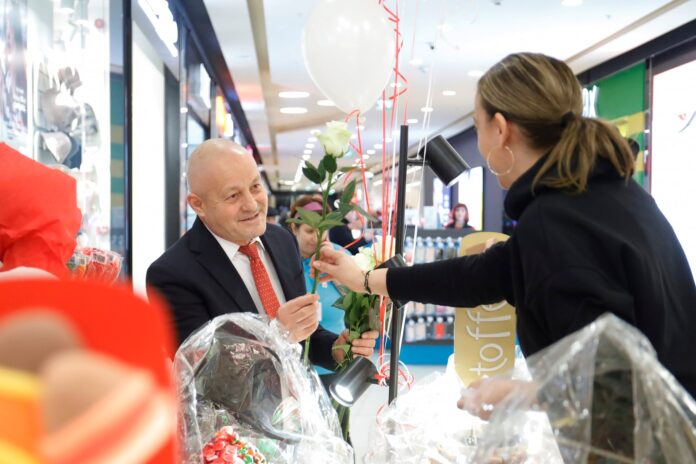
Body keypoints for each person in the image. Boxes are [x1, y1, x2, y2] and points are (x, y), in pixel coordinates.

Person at [313, 53, 696, 409]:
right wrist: (363, 280)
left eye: (478, 127)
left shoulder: (553, 220)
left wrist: (521, 395)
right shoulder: (609, 195)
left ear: (500, 129)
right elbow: (478, 276)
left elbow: (605, 387)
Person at [146, 139, 377, 371]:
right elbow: (203, 371)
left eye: (255, 187)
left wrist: (334, 349)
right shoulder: (172, 275)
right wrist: (276, 334)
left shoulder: (282, 241)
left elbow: (303, 334)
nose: (252, 205)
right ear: (198, 205)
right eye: (232, 196)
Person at [288, 195, 351, 375]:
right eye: (310, 231)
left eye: (322, 230)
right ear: (294, 229)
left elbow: (357, 300)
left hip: (336, 359)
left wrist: (336, 273)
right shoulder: (285, 262)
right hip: (296, 368)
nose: (317, 237)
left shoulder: (340, 256)